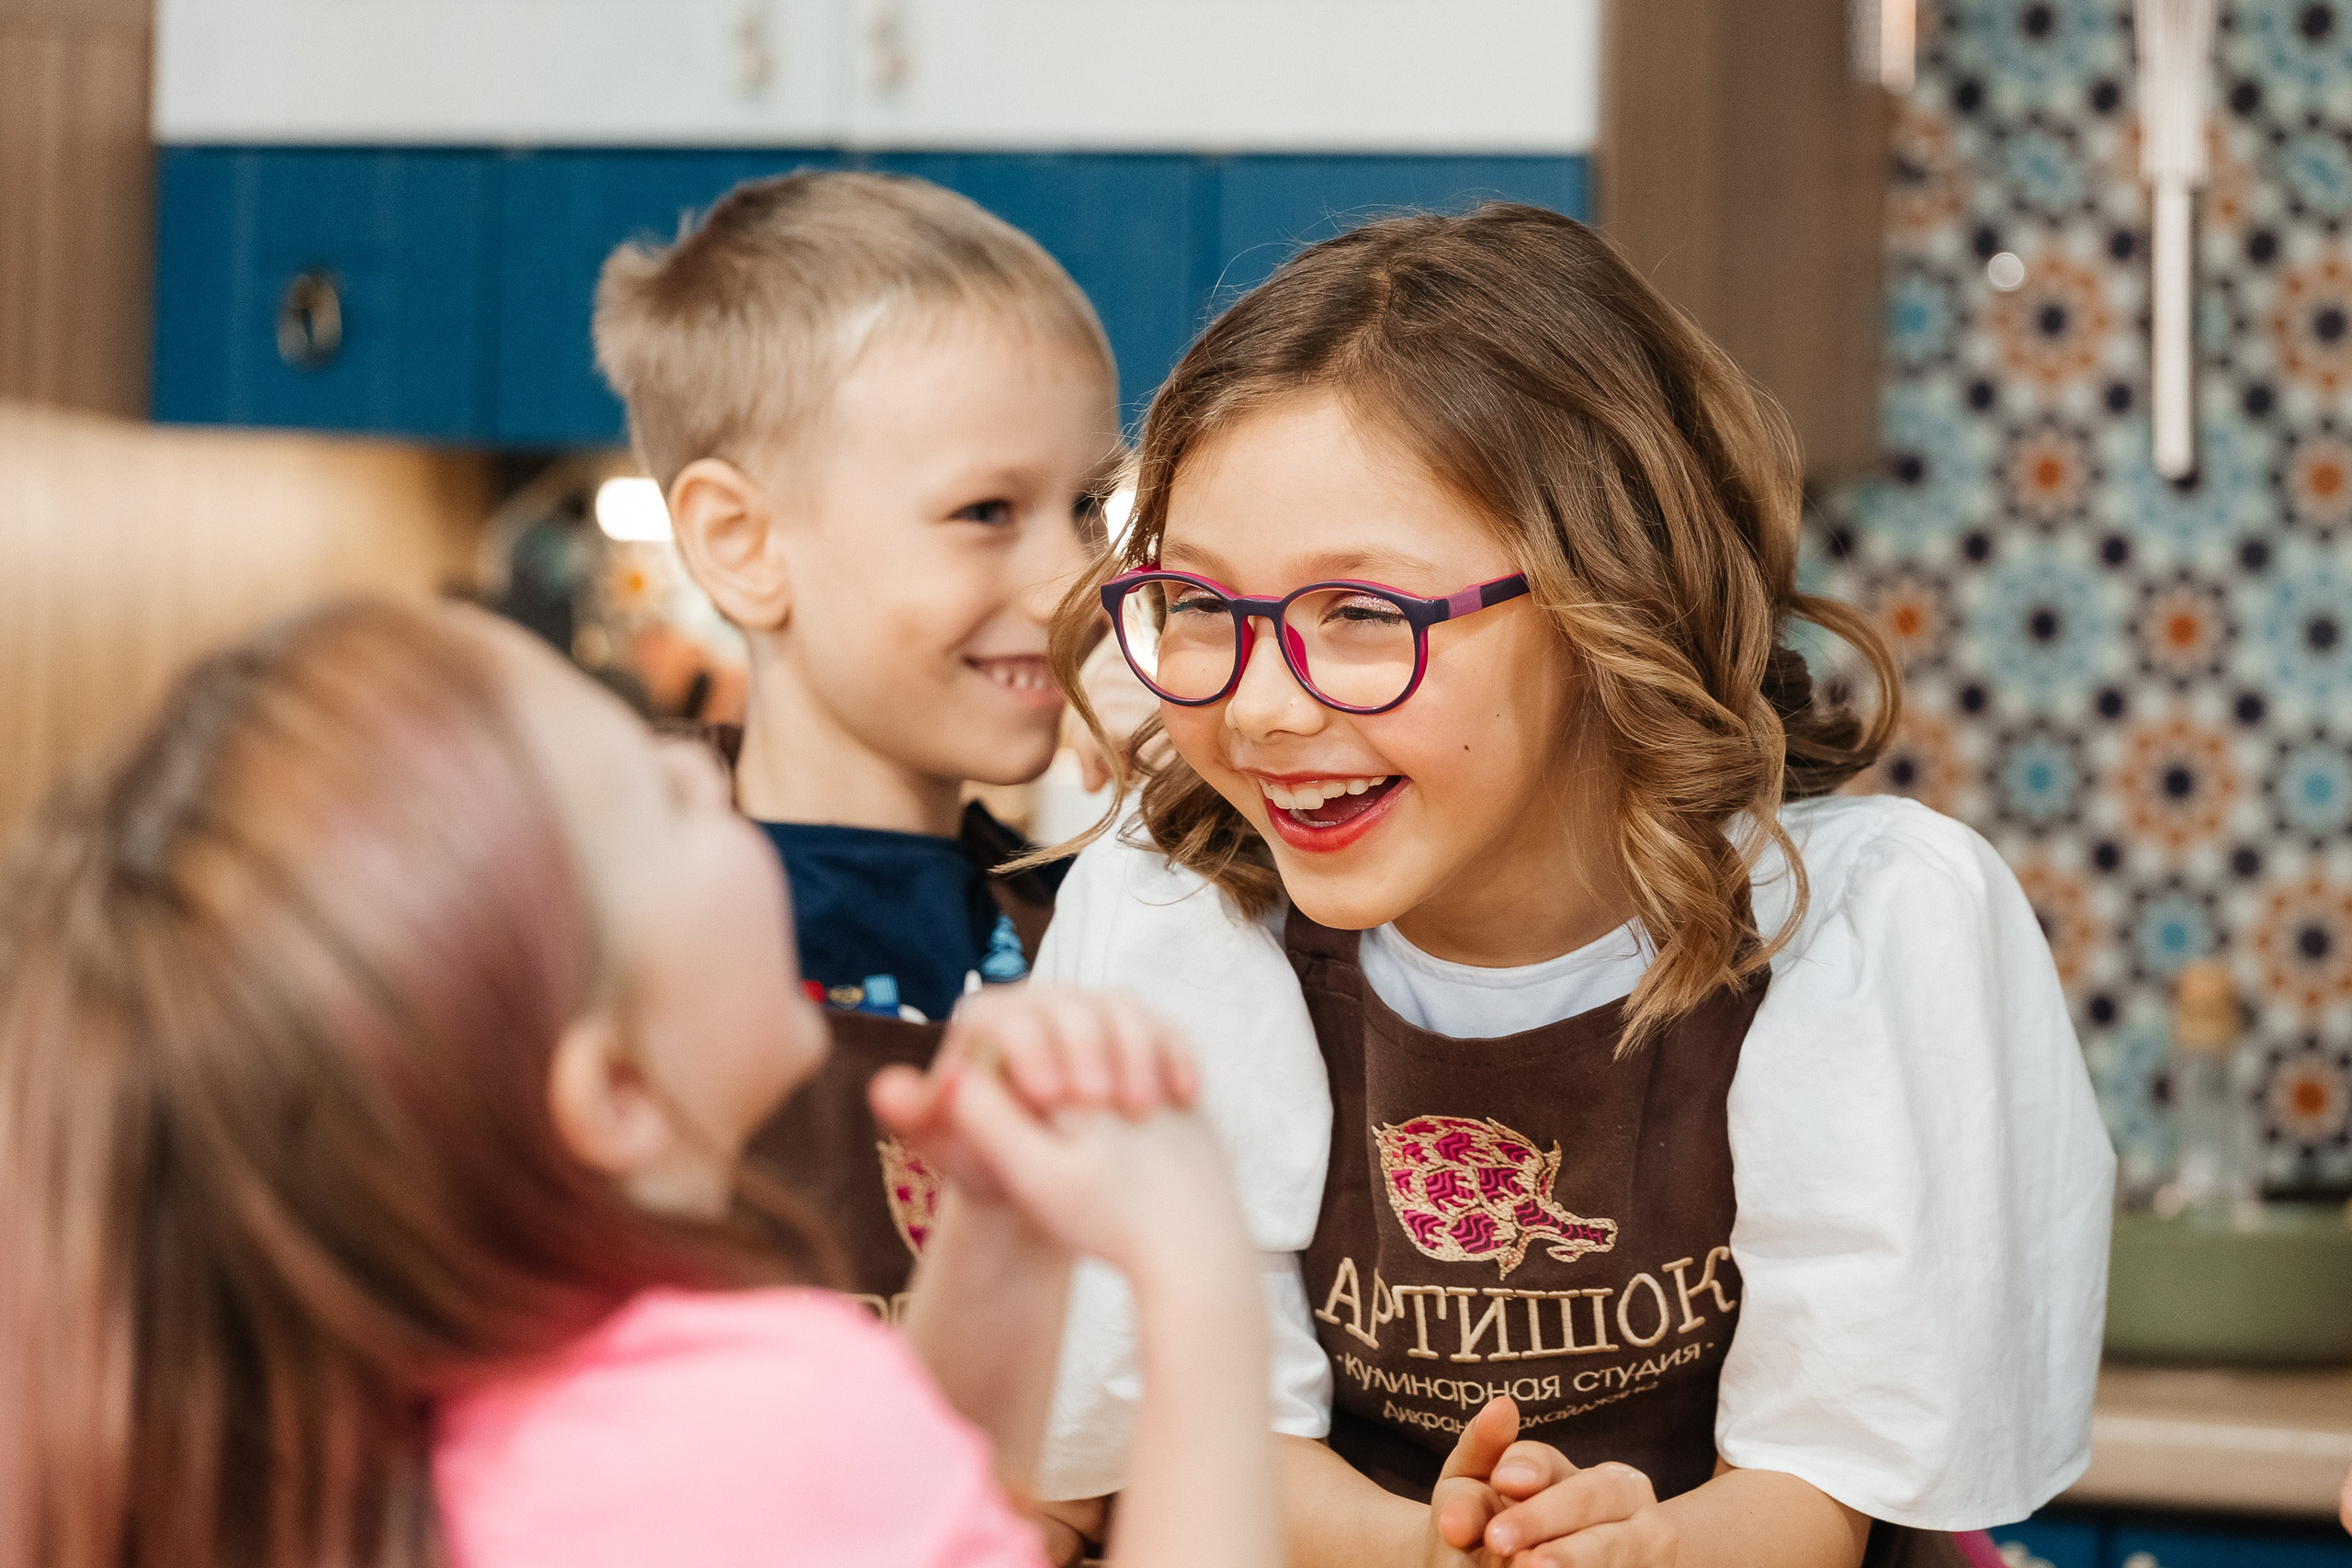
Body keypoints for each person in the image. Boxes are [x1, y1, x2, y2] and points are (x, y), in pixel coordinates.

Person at [1032, 204, 2115, 1567]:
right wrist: (1433, 1545)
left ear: (1613, 595)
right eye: (1202, 604)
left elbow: (1824, 1482)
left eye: (1363, 614)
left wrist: (1644, 1548)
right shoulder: (1177, 923)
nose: (1259, 707)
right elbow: (1198, 1441)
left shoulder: (1858, 925)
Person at [0, 597, 1276, 1568]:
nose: (697, 761)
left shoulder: (365, 1431)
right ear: (611, 1085)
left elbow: (900, 1519)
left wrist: (999, 1235)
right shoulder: (762, 1418)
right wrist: (1198, 1274)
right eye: (660, 797)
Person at [591, 167, 1120, 1325]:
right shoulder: (603, 925)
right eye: (986, 513)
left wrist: (1168, 843)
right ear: (742, 545)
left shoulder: (1089, 914)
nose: (1074, 580)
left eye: (1088, 508)